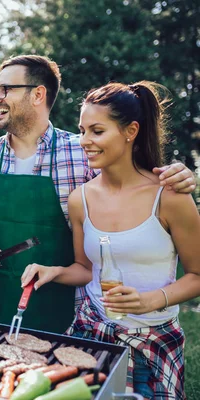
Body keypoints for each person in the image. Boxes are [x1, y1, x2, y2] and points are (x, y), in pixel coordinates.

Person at [0, 55, 197, 334]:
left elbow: (128, 185)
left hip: (65, 312)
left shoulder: (85, 154)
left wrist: (176, 174)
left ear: (38, 94)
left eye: (5, 89)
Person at [21, 81, 200, 399]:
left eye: (97, 131)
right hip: (91, 337)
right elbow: (85, 268)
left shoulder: (170, 196)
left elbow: (197, 276)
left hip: (152, 342)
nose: (85, 141)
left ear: (130, 131)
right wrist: (54, 272)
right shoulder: (80, 199)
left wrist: (149, 300)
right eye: (82, 130)